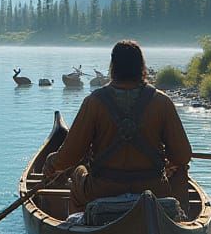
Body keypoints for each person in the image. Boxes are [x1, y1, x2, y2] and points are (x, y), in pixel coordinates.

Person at [43, 39, 192, 213]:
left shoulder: (94, 102)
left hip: (102, 190)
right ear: (141, 67)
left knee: (78, 173)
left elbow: (69, 156)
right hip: (153, 189)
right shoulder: (162, 102)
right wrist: (168, 161)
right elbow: (183, 156)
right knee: (181, 171)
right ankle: (180, 221)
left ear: (112, 67)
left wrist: (51, 163)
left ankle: (81, 226)